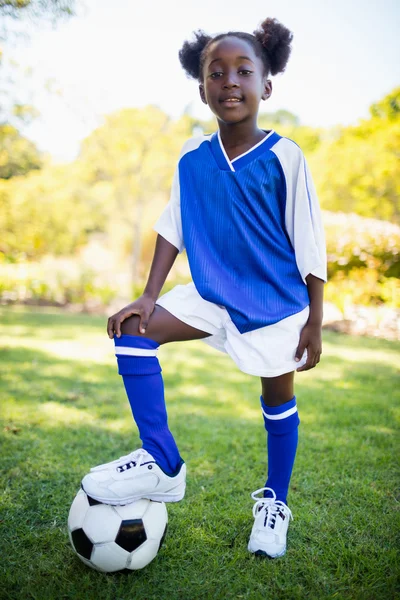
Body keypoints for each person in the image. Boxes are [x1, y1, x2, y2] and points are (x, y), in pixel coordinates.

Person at [81, 16, 327, 559]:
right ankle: (162, 462)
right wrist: (148, 294)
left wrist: (315, 318)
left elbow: (309, 241)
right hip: (211, 293)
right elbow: (173, 225)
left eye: (244, 71)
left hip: (273, 303)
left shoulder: (286, 156)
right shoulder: (192, 160)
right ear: (202, 89)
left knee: (277, 401)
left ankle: (273, 505)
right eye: (216, 73)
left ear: (266, 85)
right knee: (133, 331)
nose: (230, 81)